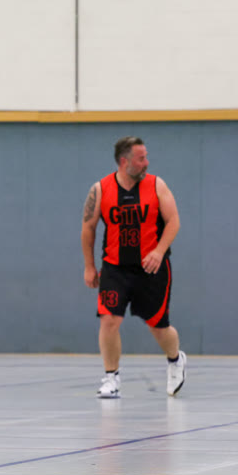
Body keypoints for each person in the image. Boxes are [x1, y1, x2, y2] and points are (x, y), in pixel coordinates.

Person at [81, 137, 186, 398]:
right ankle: (111, 377)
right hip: (115, 268)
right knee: (109, 319)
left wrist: (159, 251)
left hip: (151, 268)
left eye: (146, 157)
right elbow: (88, 228)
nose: (146, 162)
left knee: (159, 327)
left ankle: (175, 359)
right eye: (141, 158)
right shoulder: (101, 189)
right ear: (124, 161)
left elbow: (173, 221)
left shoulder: (157, 185)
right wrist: (89, 266)